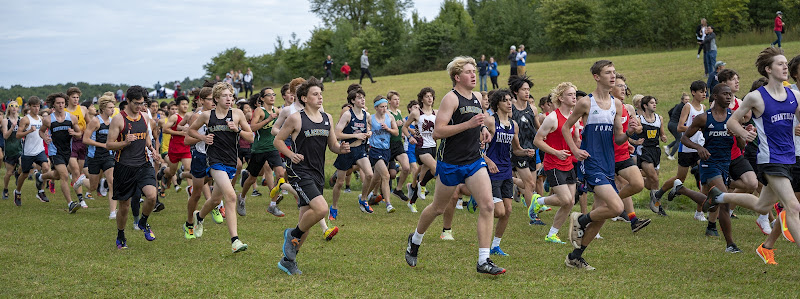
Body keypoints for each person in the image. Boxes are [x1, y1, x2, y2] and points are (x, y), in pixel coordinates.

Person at [405, 56, 506, 275]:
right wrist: (467, 124)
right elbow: (438, 131)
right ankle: (415, 240)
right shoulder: (450, 99)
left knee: (488, 205)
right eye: (469, 72)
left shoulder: (478, 97)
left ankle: (483, 260)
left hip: (473, 161)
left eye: (474, 71)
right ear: (457, 77)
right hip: (450, 163)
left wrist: (482, 129)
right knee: (438, 208)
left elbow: (480, 121)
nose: (473, 75)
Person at [722, 47, 800, 253]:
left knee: (762, 206)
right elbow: (732, 121)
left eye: (786, 63)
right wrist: (743, 133)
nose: (785, 67)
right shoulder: (756, 97)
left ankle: (722, 197)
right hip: (770, 159)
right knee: (793, 207)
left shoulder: (794, 96)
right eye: (780, 64)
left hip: (789, 159)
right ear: (768, 69)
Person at [563, 60, 635, 270]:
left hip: (608, 163)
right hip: (591, 162)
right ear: (597, 77)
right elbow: (567, 128)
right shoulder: (586, 102)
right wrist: (575, 151)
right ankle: (581, 219)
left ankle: (575, 256)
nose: (613, 76)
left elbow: (618, 138)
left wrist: (629, 132)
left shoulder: (617, 104)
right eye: (608, 73)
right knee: (616, 207)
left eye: (614, 72)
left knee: (603, 214)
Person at [274, 77, 350, 275]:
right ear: (304, 98)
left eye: (320, 93)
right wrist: (290, 154)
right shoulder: (296, 118)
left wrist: (341, 149)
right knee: (321, 209)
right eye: (315, 94)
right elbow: (278, 141)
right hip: (299, 172)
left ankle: (288, 260)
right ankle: (292, 234)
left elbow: (332, 145)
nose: (320, 97)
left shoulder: (327, 118)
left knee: (307, 219)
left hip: (317, 173)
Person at [682, 84, 757, 253]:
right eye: (725, 94)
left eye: (730, 94)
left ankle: (681, 189)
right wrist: (699, 148)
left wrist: (737, 134)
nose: (729, 97)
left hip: (726, 163)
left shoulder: (733, 118)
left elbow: (742, 144)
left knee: (712, 204)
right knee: (725, 200)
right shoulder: (703, 118)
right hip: (710, 164)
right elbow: (684, 138)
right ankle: (730, 245)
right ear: (715, 96)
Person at [187, 82, 253, 253]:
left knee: (216, 200)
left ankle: (199, 216)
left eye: (231, 96)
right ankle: (235, 240)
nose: (229, 98)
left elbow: (251, 137)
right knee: (230, 196)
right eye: (225, 96)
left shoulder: (237, 114)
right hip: (214, 161)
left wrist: (237, 130)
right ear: (216, 98)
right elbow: (190, 132)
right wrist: (202, 137)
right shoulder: (207, 116)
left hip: (231, 161)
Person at [105, 85, 161, 249]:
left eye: (142, 103)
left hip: (143, 164)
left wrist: (152, 151)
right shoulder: (119, 119)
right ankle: (121, 235)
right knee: (124, 206)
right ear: (127, 101)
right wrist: (125, 142)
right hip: (124, 167)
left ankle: (143, 222)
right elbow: (109, 144)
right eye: (136, 103)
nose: (140, 107)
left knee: (152, 196)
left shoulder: (144, 116)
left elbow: (146, 138)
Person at [482, 88, 535, 255]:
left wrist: (526, 151)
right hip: (492, 170)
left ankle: (496, 246)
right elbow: (477, 148)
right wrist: (488, 161)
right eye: (505, 100)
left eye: (510, 100)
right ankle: (480, 203)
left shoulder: (514, 125)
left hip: (506, 171)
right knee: (499, 211)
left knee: (508, 211)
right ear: (497, 103)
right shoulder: (490, 122)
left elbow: (516, 149)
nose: (509, 103)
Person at [653, 81, 709, 223]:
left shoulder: (703, 107)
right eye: (701, 91)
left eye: (705, 91)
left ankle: (699, 212)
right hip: (686, 147)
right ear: (693, 93)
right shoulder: (688, 107)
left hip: (699, 147)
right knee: (680, 178)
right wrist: (695, 127)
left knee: (703, 178)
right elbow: (680, 127)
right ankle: (658, 194)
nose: (704, 94)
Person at [533, 82, 580, 244]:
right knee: (566, 199)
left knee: (570, 202)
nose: (574, 97)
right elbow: (537, 141)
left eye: (574, 94)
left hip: (569, 164)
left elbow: (576, 139)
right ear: (560, 98)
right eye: (570, 94)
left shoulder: (574, 117)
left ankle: (552, 234)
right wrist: (556, 152)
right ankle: (538, 201)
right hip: (553, 163)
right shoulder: (552, 118)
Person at [330, 86, 374, 215]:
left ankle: (363, 199)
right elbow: (337, 134)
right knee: (340, 182)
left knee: (370, 175)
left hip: (360, 150)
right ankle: (334, 207)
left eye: (363, 98)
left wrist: (369, 132)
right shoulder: (347, 115)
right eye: (359, 98)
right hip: (346, 150)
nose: (362, 100)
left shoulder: (367, 115)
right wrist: (356, 135)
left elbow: (370, 127)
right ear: (353, 101)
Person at [36, 93, 83, 213]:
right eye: (58, 103)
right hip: (54, 151)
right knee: (64, 175)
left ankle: (40, 177)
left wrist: (74, 133)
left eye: (62, 103)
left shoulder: (71, 118)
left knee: (57, 175)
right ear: (54, 104)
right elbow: (41, 132)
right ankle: (70, 203)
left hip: (68, 151)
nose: (61, 105)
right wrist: (45, 137)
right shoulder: (48, 119)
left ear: (65, 103)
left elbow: (79, 133)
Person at [508, 75, 543, 222]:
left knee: (532, 184)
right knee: (529, 183)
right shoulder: (510, 109)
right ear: (516, 91)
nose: (527, 92)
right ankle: (533, 217)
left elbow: (538, 128)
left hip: (532, 150)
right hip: (518, 150)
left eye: (528, 89)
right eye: (524, 90)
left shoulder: (532, 109)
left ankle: (511, 181)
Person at [401, 87, 438, 212]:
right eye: (427, 96)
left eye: (431, 96)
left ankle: (412, 200)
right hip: (421, 147)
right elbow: (404, 128)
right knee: (436, 169)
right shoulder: (416, 113)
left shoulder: (436, 113)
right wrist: (410, 137)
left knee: (424, 176)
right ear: (422, 98)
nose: (430, 98)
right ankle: (444, 199)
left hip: (433, 147)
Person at [83, 95, 117, 219]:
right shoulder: (95, 121)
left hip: (108, 156)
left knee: (112, 182)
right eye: (110, 108)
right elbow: (85, 139)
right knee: (93, 186)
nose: (112, 110)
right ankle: (82, 180)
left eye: (113, 107)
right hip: (94, 157)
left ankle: (113, 212)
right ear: (102, 108)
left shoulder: (113, 121)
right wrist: (102, 145)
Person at [364, 95, 399, 213]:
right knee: (386, 175)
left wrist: (388, 129)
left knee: (376, 178)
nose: (384, 109)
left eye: (385, 106)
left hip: (386, 150)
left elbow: (396, 132)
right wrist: (368, 132)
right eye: (381, 107)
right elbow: (367, 130)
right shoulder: (370, 118)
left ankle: (363, 198)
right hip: (375, 150)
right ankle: (388, 204)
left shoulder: (390, 117)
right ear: (376, 108)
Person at [15, 96, 50, 204]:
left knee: (46, 167)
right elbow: (18, 135)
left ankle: (41, 191)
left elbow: (42, 132)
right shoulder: (25, 119)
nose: (36, 108)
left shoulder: (41, 118)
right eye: (34, 106)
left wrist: (46, 137)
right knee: (25, 174)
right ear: (29, 107)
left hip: (40, 150)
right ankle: (18, 192)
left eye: (38, 106)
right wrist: (29, 131)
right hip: (28, 151)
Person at [65, 87, 89, 206]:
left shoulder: (83, 109)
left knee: (79, 172)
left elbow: (90, 123)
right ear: (68, 98)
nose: (76, 99)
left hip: (82, 141)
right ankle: (81, 199)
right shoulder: (64, 111)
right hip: (69, 142)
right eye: (73, 97)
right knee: (75, 170)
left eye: (77, 97)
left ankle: (75, 184)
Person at [387, 90, 411, 201]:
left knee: (406, 167)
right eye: (395, 99)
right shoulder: (387, 113)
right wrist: (394, 126)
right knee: (384, 174)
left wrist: (410, 132)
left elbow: (403, 124)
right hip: (387, 145)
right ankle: (374, 194)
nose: (397, 101)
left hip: (398, 144)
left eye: (398, 99)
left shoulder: (399, 112)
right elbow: (383, 127)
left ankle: (398, 189)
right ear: (389, 101)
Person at [3, 101, 21, 201]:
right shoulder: (5, 121)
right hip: (9, 149)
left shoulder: (21, 119)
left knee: (23, 166)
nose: (14, 108)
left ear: (18, 108)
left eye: (16, 106)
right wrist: (12, 128)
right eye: (11, 106)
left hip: (19, 148)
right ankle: (5, 189)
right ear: (9, 108)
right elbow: (5, 136)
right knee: (9, 173)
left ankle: (18, 173)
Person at [666, 93, 690, 159]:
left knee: (678, 138)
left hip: (670, 123)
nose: (687, 101)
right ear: (682, 100)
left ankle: (668, 147)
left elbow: (669, 112)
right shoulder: (684, 106)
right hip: (675, 124)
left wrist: (673, 119)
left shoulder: (678, 105)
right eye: (686, 99)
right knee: (680, 139)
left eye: (688, 99)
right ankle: (671, 155)